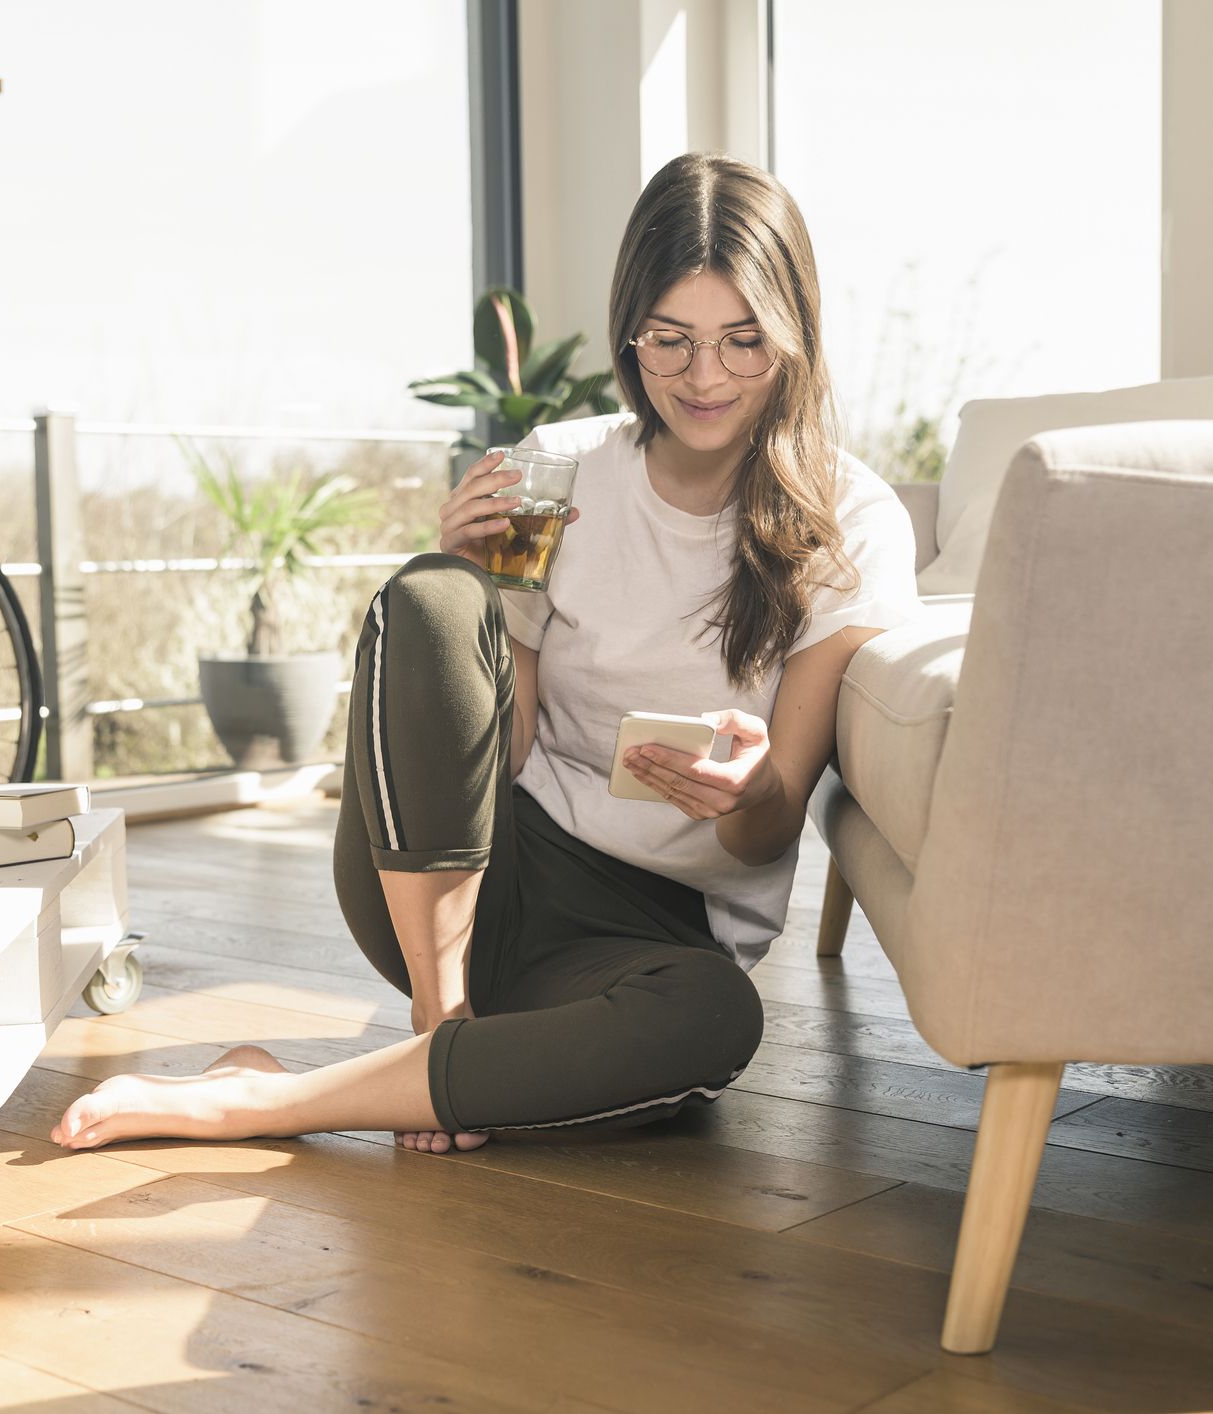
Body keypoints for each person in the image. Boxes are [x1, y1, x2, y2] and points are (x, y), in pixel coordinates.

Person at [51, 152, 921, 1154]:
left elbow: (769, 839)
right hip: (462, 880)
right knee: (428, 593)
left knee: (715, 1021)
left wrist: (749, 789)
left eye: (742, 340)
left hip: (657, 937)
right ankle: (443, 1025)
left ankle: (268, 1098)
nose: (705, 377)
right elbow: (496, 755)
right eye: (670, 340)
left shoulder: (852, 521)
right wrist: (465, 580)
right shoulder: (554, 469)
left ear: (796, 334)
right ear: (629, 329)